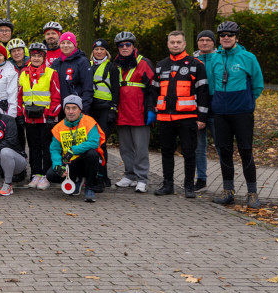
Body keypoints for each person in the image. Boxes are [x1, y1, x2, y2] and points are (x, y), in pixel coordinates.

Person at [206, 21, 264, 208]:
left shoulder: (248, 57)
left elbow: (258, 84)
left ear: (236, 38)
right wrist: (216, 104)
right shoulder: (215, 58)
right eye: (222, 35)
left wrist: (247, 101)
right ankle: (228, 191)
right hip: (221, 113)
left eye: (230, 35)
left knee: (245, 150)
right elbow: (212, 85)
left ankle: (252, 193)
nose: (226, 37)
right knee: (224, 151)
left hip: (242, 113)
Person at [150, 31, 210, 198]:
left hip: (187, 117)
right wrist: (153, 111)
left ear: (184, 44)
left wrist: (202, 118)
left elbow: (203, 93)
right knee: (166, 152)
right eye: (172, 42)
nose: (175, 45)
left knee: (189, 152)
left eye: (178, 42)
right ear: (168, 44)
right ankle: (167, 185)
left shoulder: (196, 65)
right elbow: (154, 91)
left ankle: (189, 187)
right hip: (165, 118)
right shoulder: (161, 65)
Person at [112, 31, 155, 193]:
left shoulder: (144, 63)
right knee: (125, 148)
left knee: (141, 149)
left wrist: (151, 109)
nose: (124, 47)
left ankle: (142, 178)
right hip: (122, 113)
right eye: (121, 45)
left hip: (139, 113)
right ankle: (129, 175)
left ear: (133, 46)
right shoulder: (115, 64)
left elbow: (153, 89)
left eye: (127, 44)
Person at [17, 42, 61, 189]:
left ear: (44, 58)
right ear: (30, 57)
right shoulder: (24, 73)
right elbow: (19, 96)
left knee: (46, 147)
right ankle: (36, 173)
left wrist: (52, 115)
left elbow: (56, 96)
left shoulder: (51, 73)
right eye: (34, 56)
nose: (36, 58)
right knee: (33, 147)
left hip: (45, 118)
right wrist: (20, 114)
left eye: (39, 56)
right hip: (29, 117)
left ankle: (46, 175)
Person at [47, 95, 107, 202]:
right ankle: (75, 180)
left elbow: (94, 142)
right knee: (51, 175)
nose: (71, 112)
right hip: (70, 163)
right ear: (64, 110)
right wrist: (57, 166)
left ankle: (90, 188)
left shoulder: (89, 122)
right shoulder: (59, 127)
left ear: (80, 109)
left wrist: (73, 150)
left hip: (87, 161)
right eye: (68, 108)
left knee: (92, 154)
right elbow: (54, 149)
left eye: (74, 108)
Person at [88, 38, 120, 188]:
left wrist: (114, 109)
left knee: (100, 143)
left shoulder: (111, 67)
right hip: (91, 108)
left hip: (105, 109)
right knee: (91, 143)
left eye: (102, 50)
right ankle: (102, 175)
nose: (99, 52)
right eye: (96, 49)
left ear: (106, 52)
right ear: (93, 51)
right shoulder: (88, 66)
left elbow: (116, 90)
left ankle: (101, 178)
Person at [193, 29, 217, 190]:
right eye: (201, 40)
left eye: (208, 40)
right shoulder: (192, 60)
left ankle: (227, 181)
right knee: (199, 147)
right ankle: (201, 178)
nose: (205, 43)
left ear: (213, 42)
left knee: (221, 145)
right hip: (197, 107)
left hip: (217, 106)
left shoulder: (220, 58)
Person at [52, 31, 93, 113]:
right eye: (63, 43)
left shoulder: (82, 61)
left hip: (75, 108)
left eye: (69, 43)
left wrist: (83, 108)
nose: (65, 45)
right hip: (60, 109)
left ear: (74, 45)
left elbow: (87, 87)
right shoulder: (56, 63)